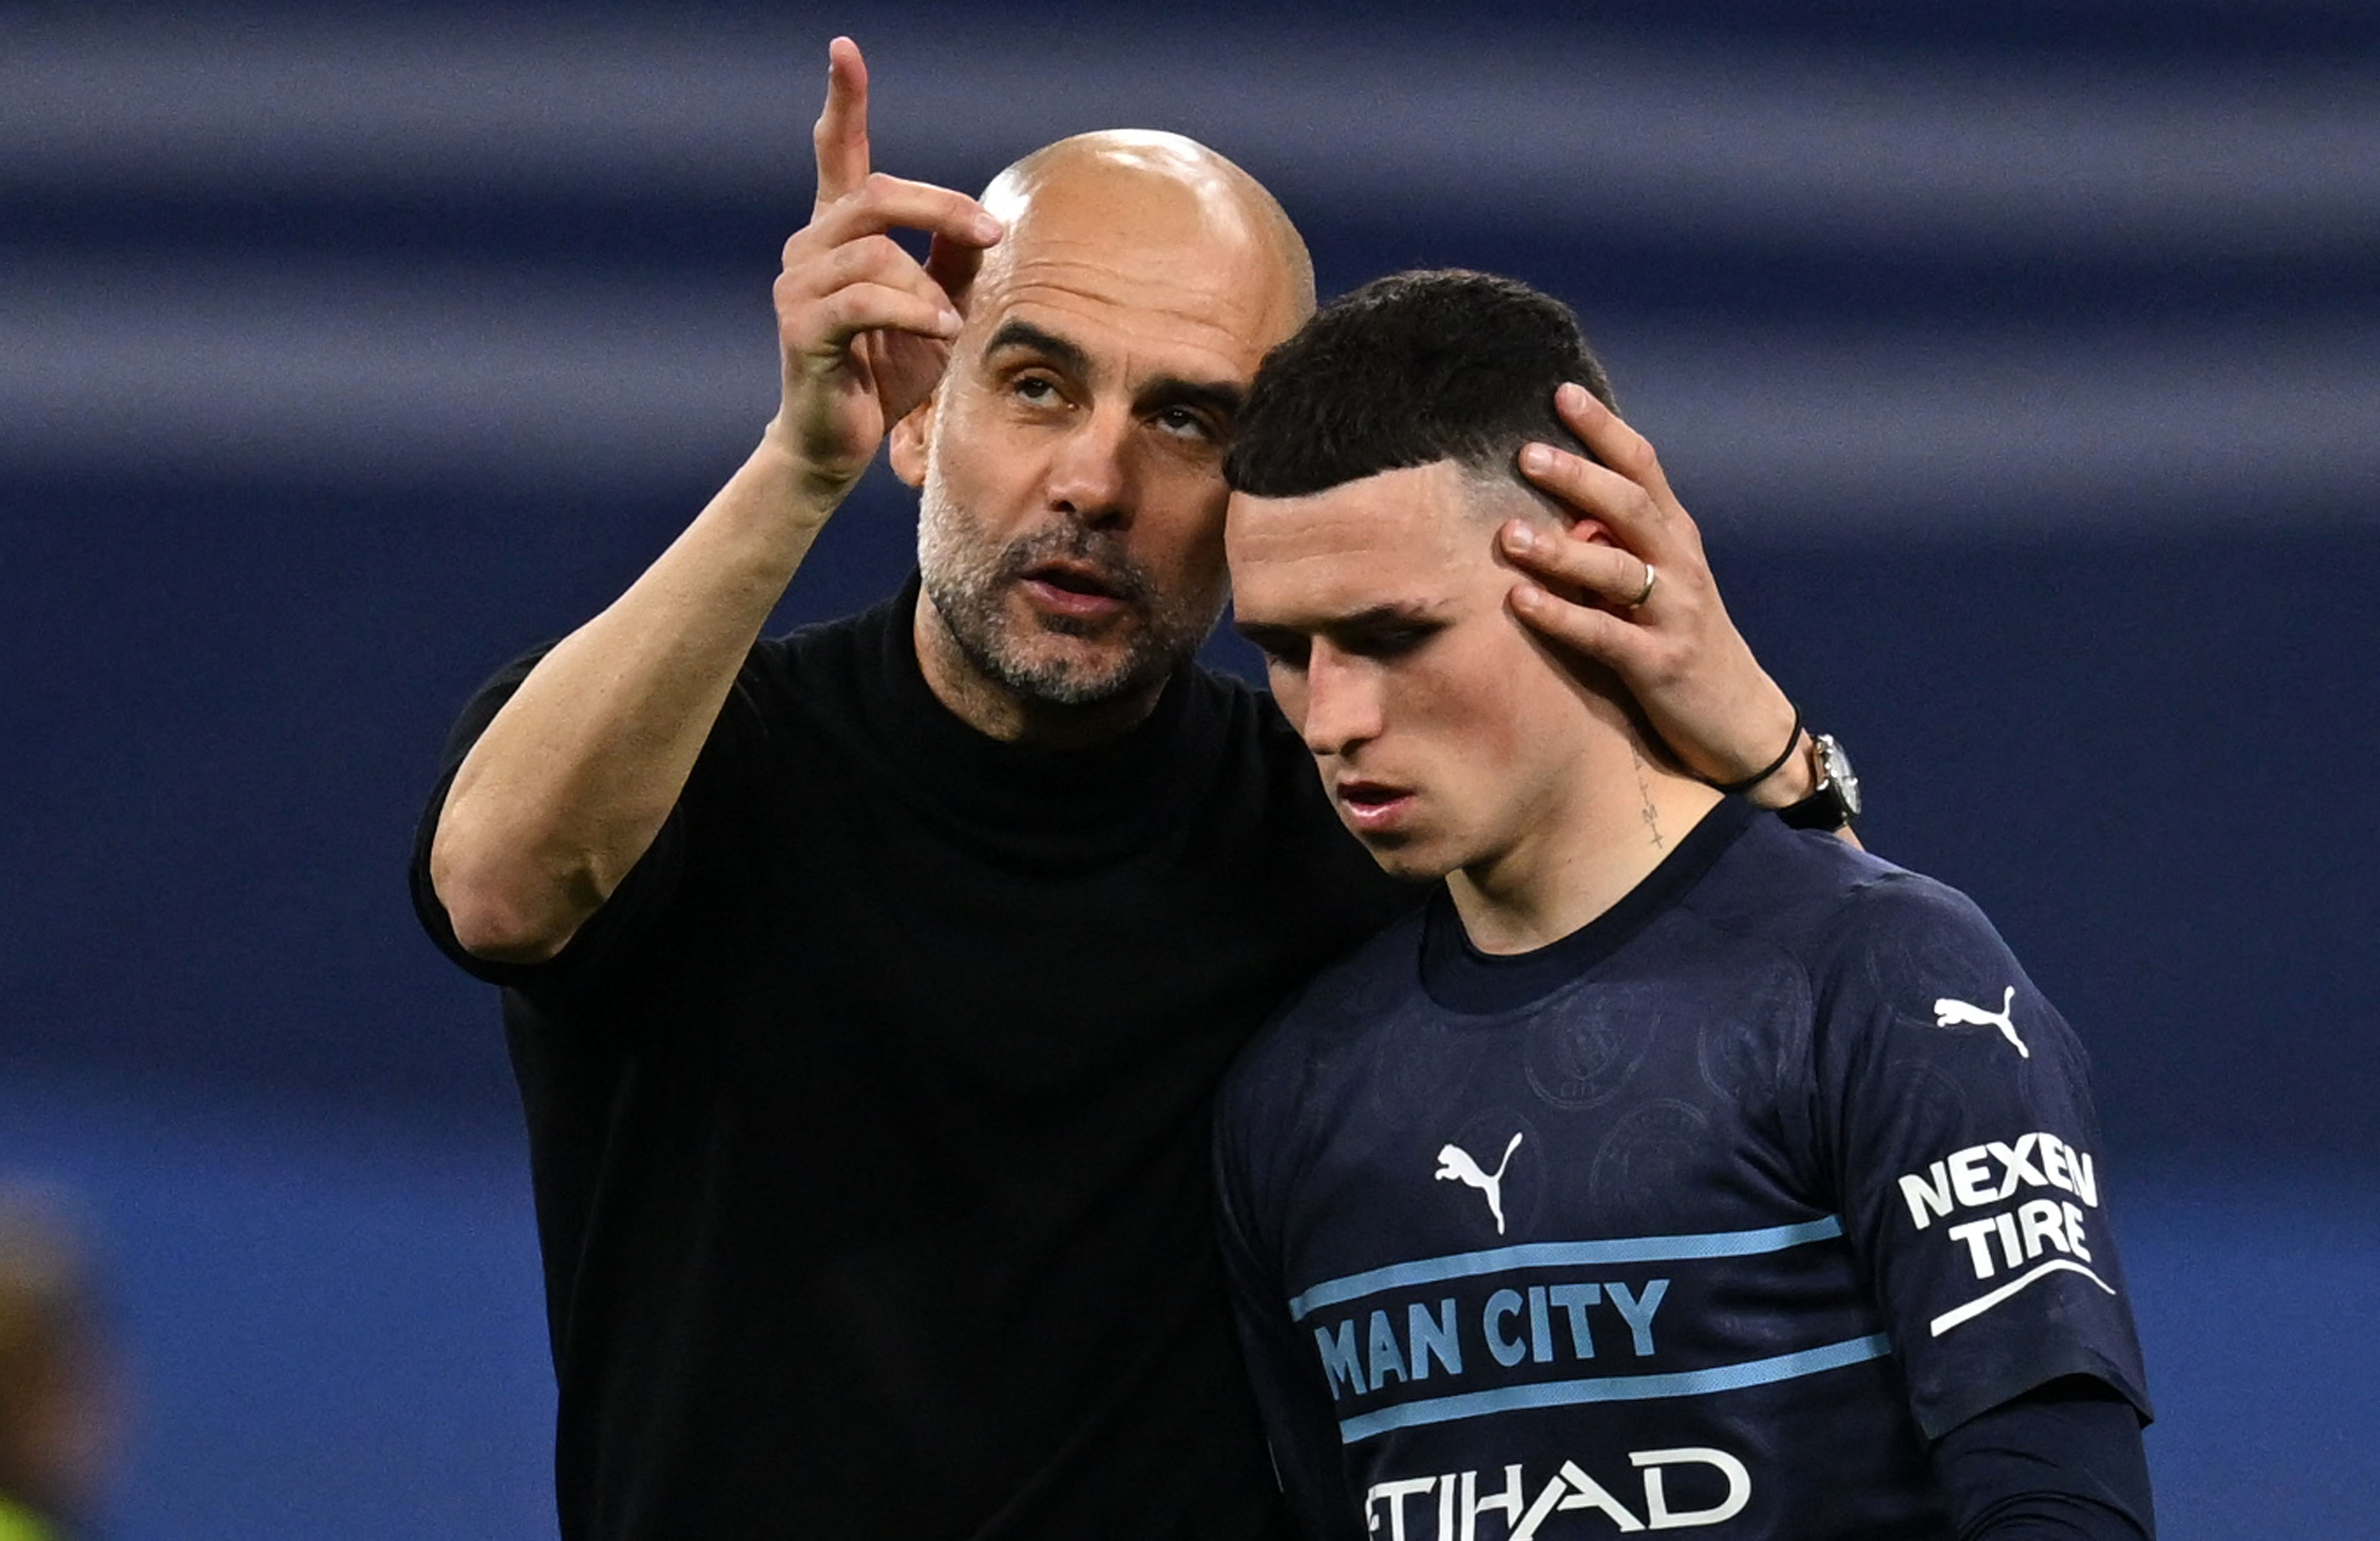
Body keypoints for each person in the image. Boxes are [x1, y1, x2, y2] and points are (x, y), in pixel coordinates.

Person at [413, 39, 1839, 1540]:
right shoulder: (697, 766)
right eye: (1036, 386)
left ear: (1274, 494)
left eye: (1187, 421)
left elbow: (1827, 1078)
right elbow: (502, 886)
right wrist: (796, 464)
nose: (1096, 482)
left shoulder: (1358, 842)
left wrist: (1753, 734)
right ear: (919, 412)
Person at [1212, 269, 2154, 1539]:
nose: (1331, 720)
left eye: (1394, 636)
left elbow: (2059, 1510)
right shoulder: (1293, 1095)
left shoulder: (1889, 985)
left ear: (1586, 566)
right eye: (1284, 651)